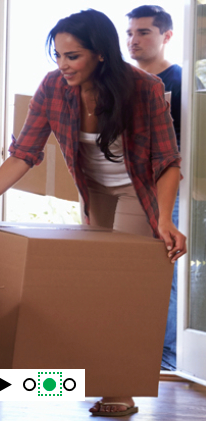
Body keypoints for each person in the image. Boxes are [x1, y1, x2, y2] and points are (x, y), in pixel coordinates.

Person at [0, 9, 184, 417]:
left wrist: (164, 219)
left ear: (100, 53)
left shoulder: (144, 88)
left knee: (122, 287)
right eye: (58, 55)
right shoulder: (53, 88)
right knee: (96, 286)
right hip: (94, 192)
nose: (63, 65)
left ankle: (120, 390)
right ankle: (94, 376)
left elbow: (167, 162)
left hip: (137, 190)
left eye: (73, 56)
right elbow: (24, 154)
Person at [126, 3, 181, 373]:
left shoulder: (180, 83)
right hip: (125, 191)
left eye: (144, 32)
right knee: (126, 273)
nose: (134, 40)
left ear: (166, 36)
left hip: (166, 191)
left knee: (165, 274)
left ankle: (165, 360)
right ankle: (128, 354)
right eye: (130, 33)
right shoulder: (122, 83)